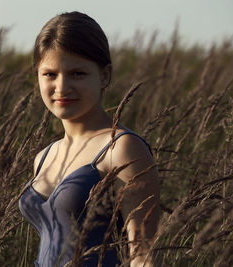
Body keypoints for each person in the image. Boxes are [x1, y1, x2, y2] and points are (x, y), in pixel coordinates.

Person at [18, 11, 160, 267]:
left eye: (77, 74)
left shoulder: (122, 148)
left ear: (104, 76)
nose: (62, 87)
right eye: (50, 74)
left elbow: (143, 256)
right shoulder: (44, 157)